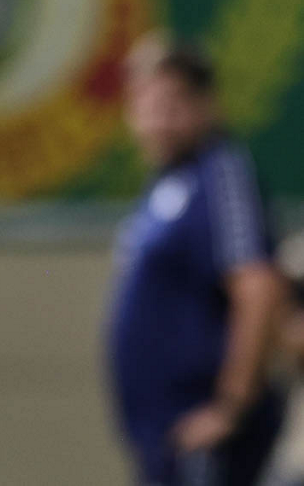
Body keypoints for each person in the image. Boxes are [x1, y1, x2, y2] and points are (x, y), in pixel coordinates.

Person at [108, 38, 286, 486]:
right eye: (145, 105)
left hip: (207, 441)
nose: (156, 121)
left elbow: (259, 285)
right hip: (165, 439)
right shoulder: (168, 183)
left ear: (207, 104)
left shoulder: (220, 170)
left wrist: (231, 406)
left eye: (171, 104)